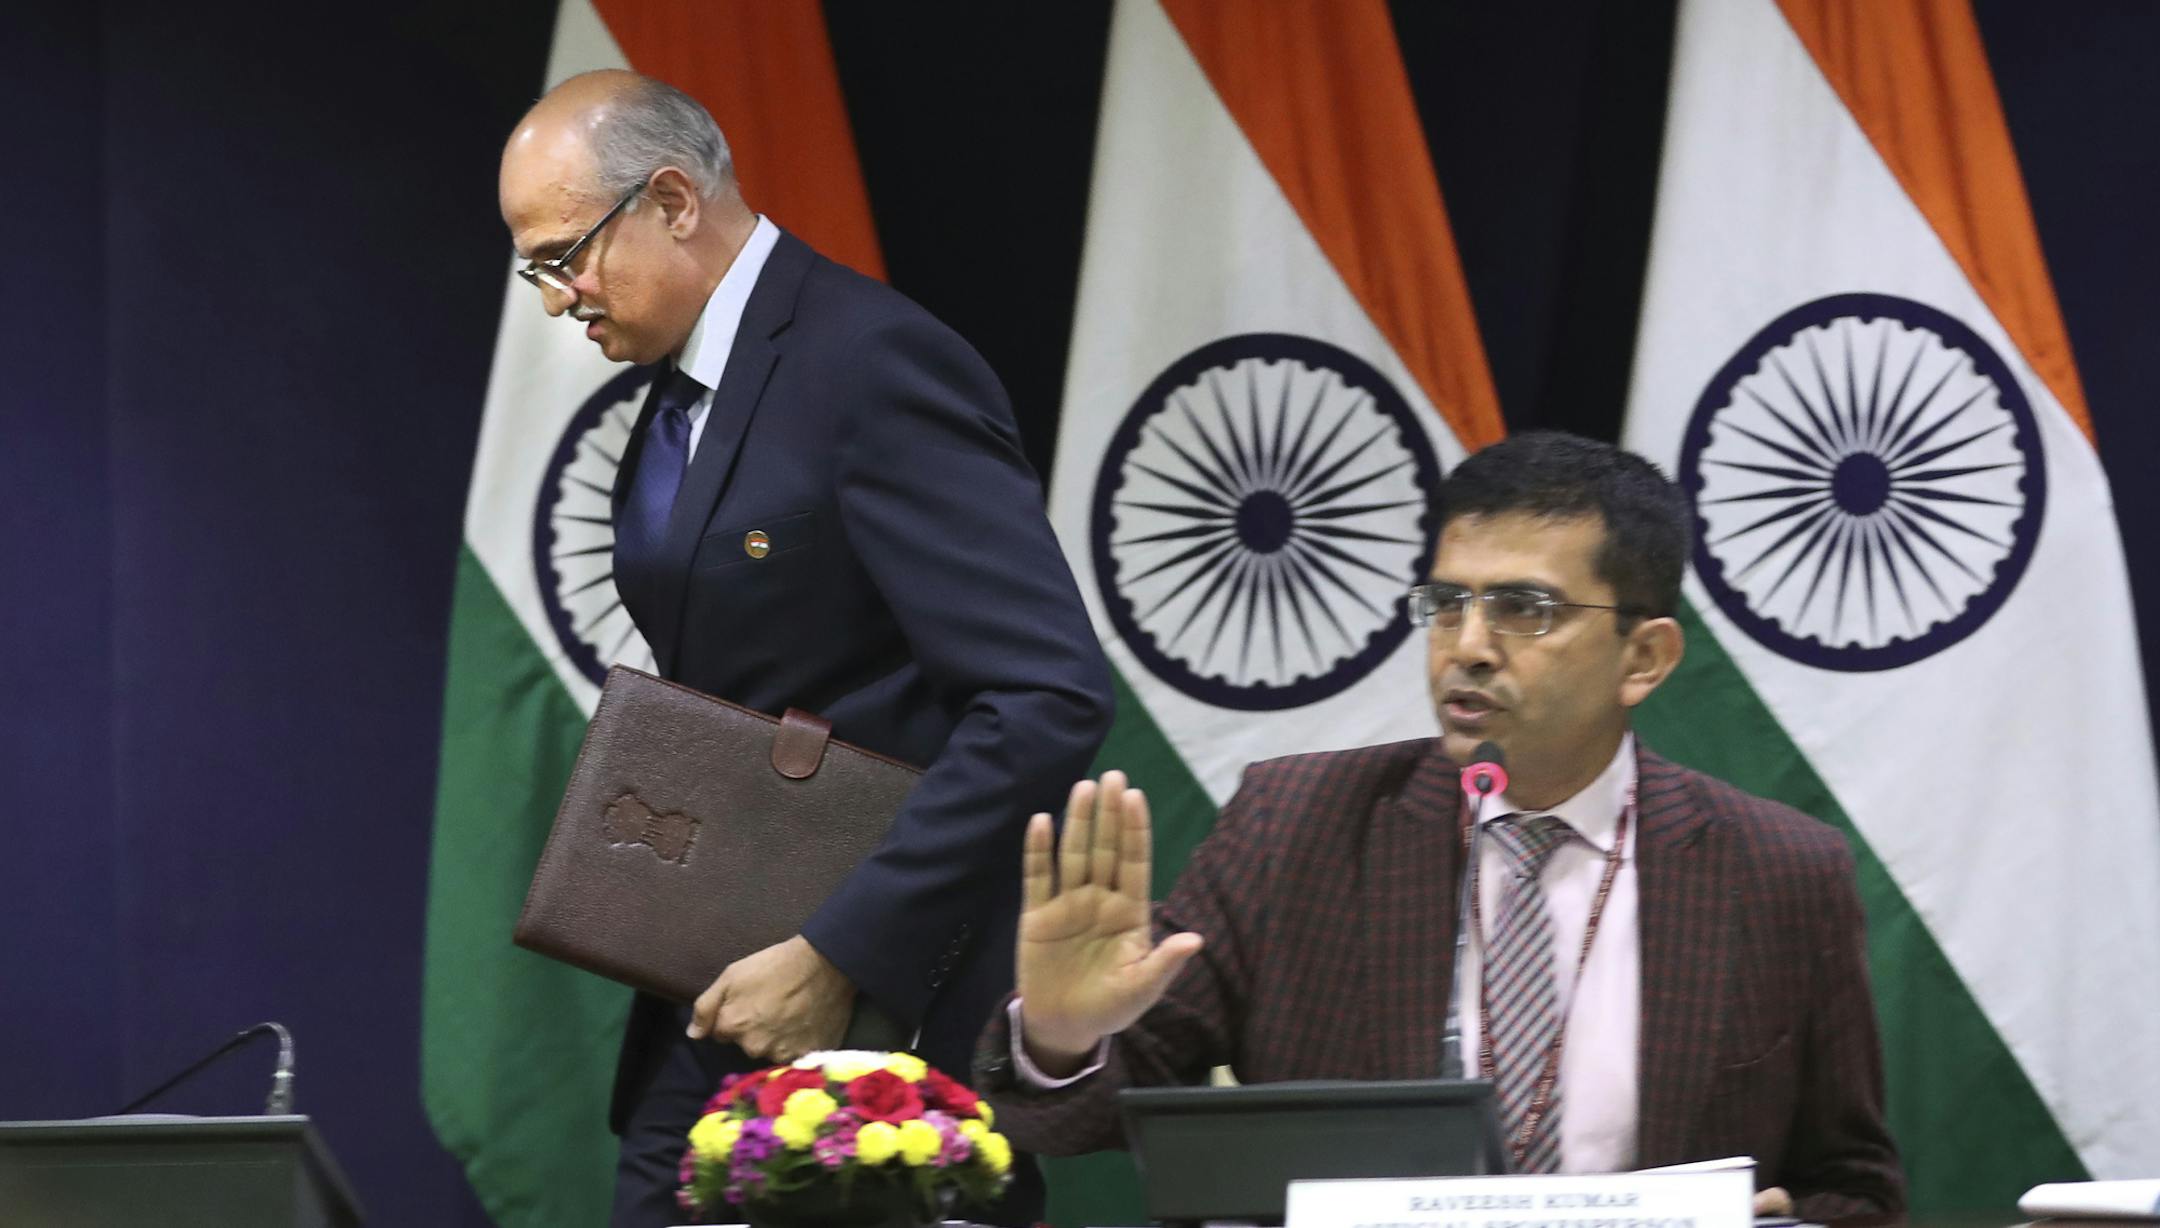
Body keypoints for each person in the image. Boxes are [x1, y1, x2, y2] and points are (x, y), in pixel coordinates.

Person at [975, 432, 1905, 1222]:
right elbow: (1087, 1116)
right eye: (1446, 603)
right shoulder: (1295, 826)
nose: (1466, 646)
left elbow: (1852, 1187)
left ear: (1645, 657)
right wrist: (1060, 1038)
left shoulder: (1780, 872)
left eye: (1523, 609)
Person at [497, 70, 1113, 1225]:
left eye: (565, 255)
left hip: (879, 1043)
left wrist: (840, 950)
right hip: (709, 1012)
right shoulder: (680, 393)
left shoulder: (869, 362)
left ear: (673, 200)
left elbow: (1045, 694)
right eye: (537, 268)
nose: (556, 297)